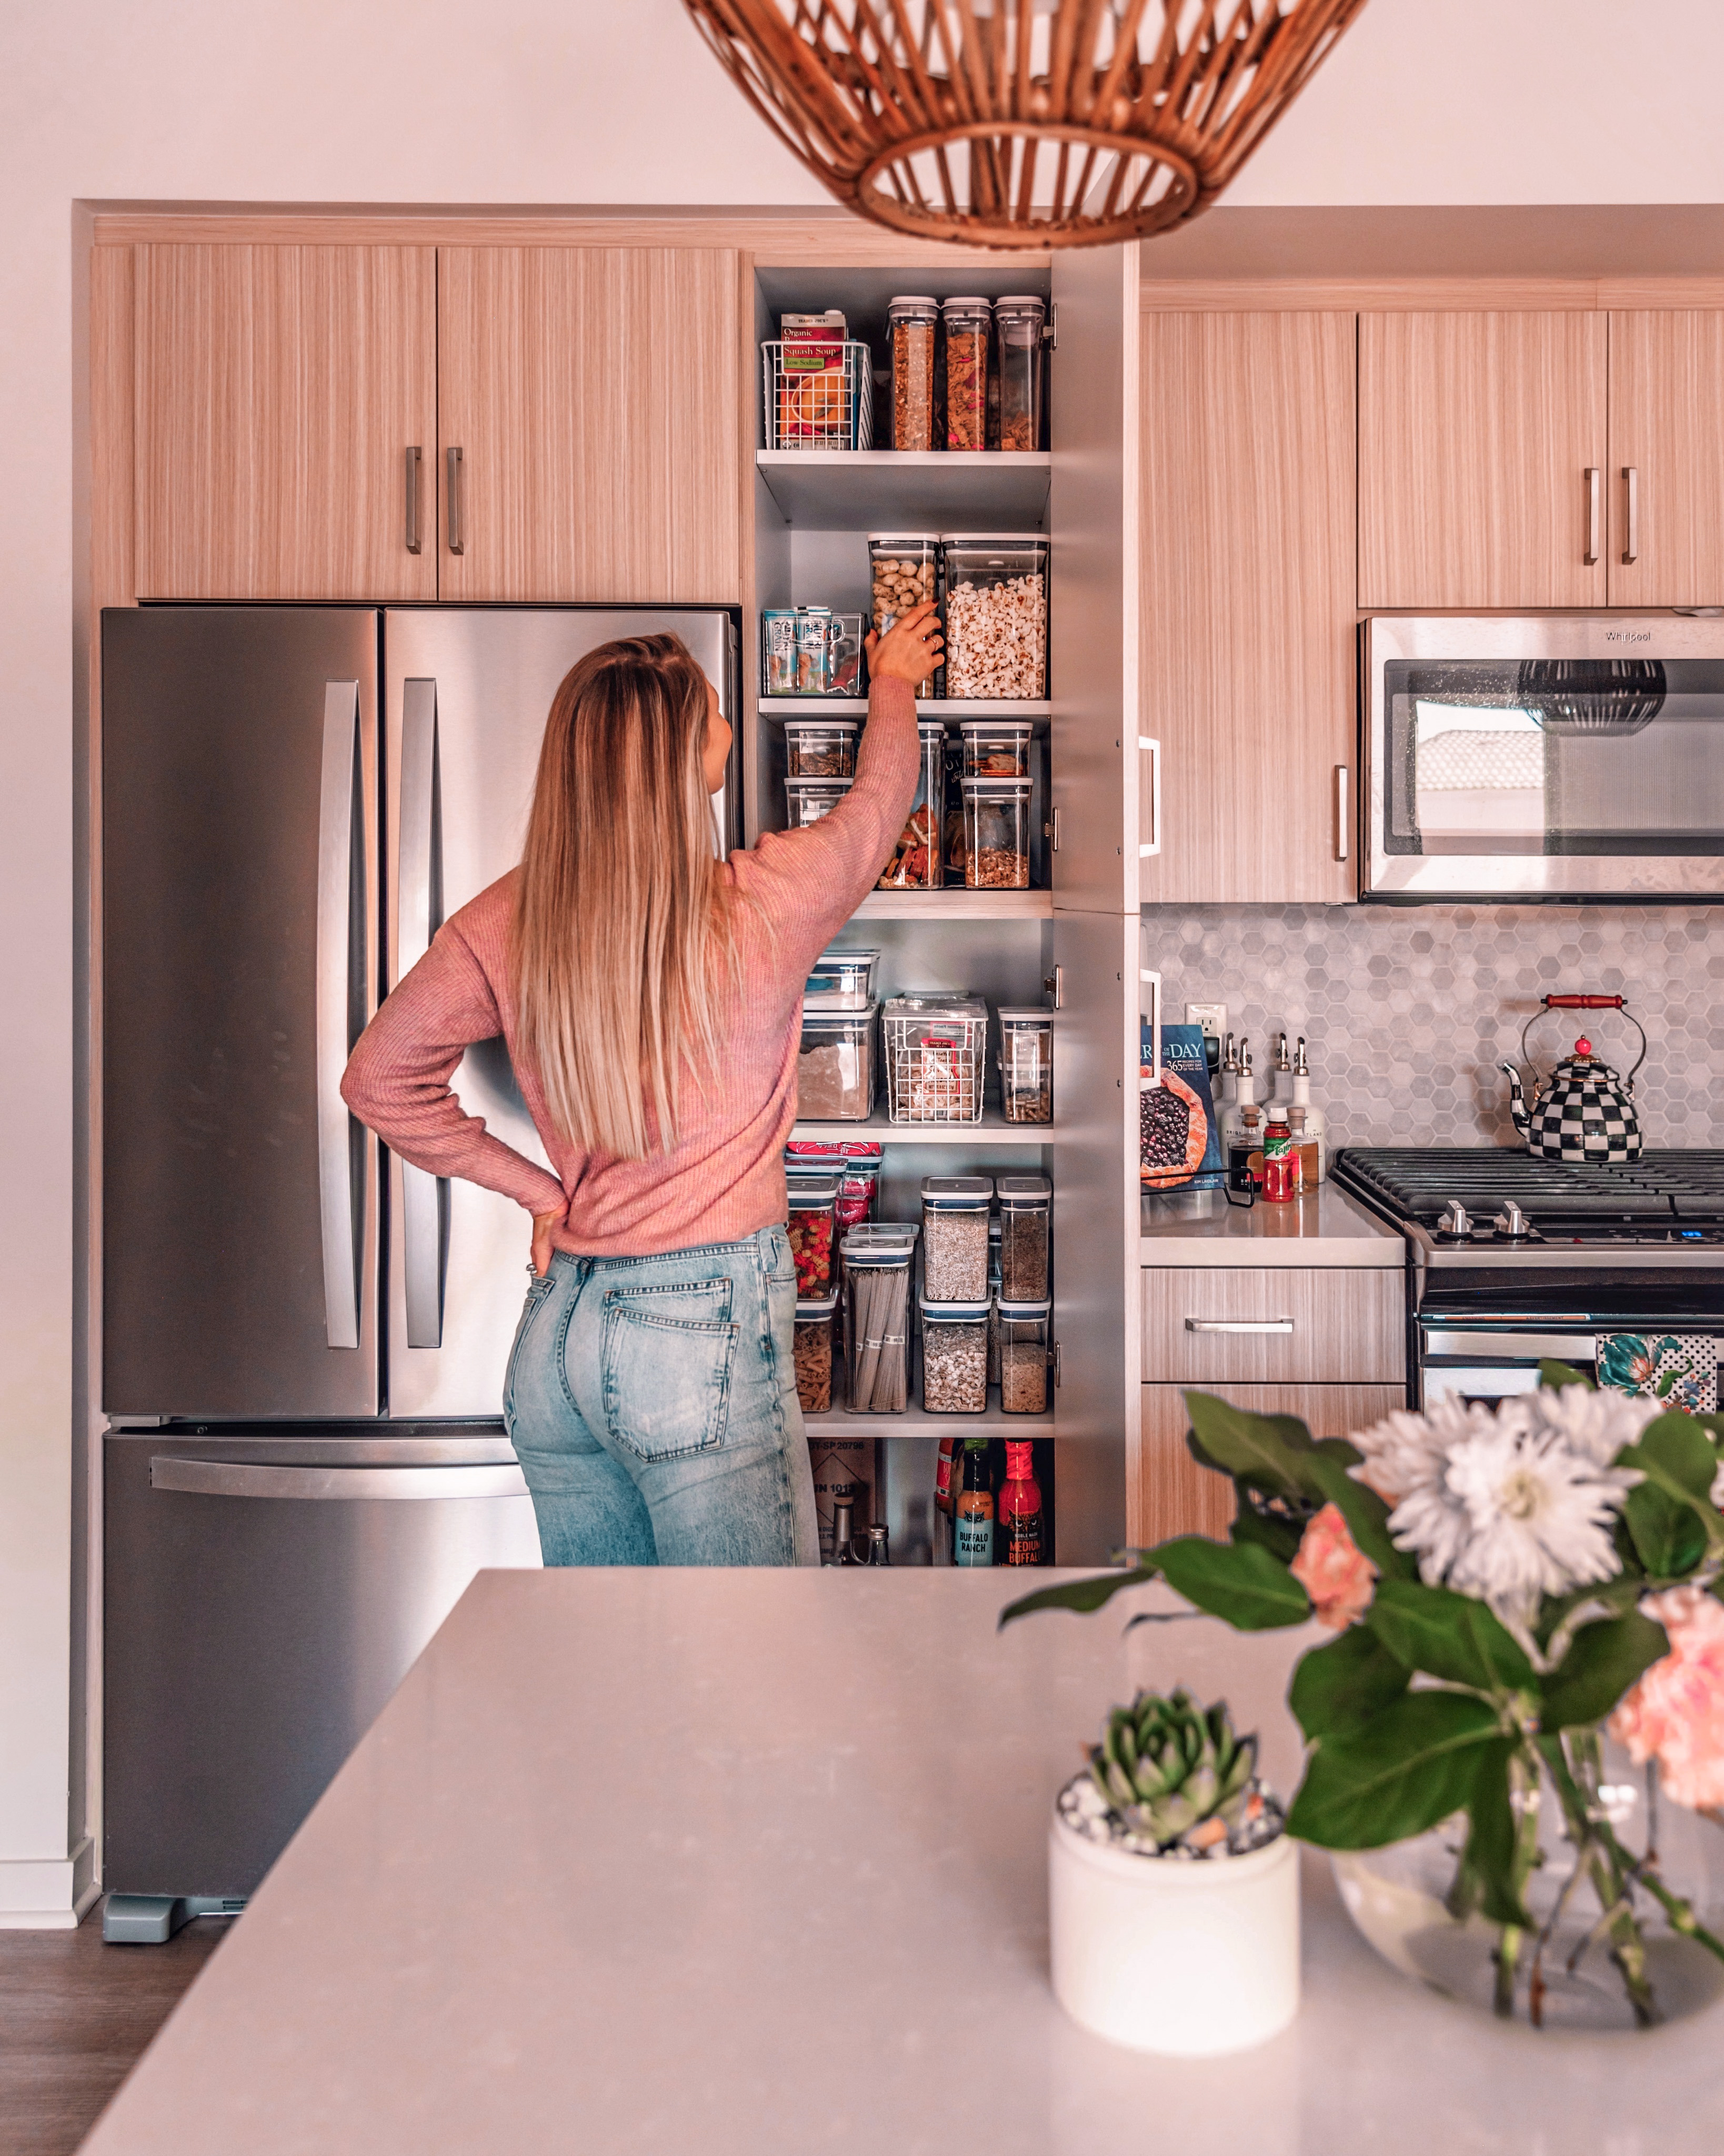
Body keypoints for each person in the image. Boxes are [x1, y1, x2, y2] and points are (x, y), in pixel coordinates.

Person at [340, 604, 943, 1565]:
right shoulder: (763, 903)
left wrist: (544, 1195)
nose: (730, 726)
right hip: (698, 1332)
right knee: (747, 1683)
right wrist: (895, 680)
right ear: (680, 759)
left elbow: (376, 1080)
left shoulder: (506, 919)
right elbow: (876, 813)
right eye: (714, 712)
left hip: (557, 1340)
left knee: (610, 1682)